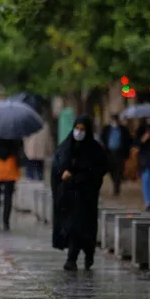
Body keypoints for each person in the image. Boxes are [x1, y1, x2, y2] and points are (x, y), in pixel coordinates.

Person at [51, 116, 107, 271]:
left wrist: (78, 177)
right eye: (77, 128)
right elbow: (57, 165)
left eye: (83, 129)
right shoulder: (66, 146)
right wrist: (63, 174)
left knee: (85, 228)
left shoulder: (95, 150)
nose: (79, 132)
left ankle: (88, 255)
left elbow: (99, 171)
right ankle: (71, 258)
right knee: (72, 227)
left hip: (86, 196)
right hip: (69, 196)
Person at [100, 114, 132, 196]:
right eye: (113, 120)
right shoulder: (106, 129)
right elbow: (102, 138)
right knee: (111, 169)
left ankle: (116, 187)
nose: (115, 122)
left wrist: (127, 152)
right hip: (109, 153)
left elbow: (128, 140)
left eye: (116, 120)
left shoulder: (123, 129)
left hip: (119, 153)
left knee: (118, 170)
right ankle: (115, 182)